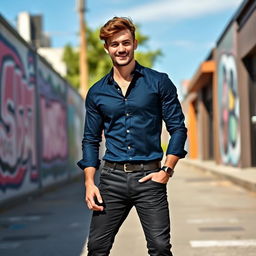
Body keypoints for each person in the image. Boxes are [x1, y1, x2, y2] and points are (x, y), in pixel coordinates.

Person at [77, 16, 187, 256]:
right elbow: (90, 140)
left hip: (150, 176)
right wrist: (89, 182)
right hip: (112, 179)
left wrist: (167, 170)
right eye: (114, 44)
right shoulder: (97, 92)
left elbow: (178, 128)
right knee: (96, 248)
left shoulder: (159, 82)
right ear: (107, 48)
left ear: (135, 43)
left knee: (159, 247)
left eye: (125, 42)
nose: (121, 49)